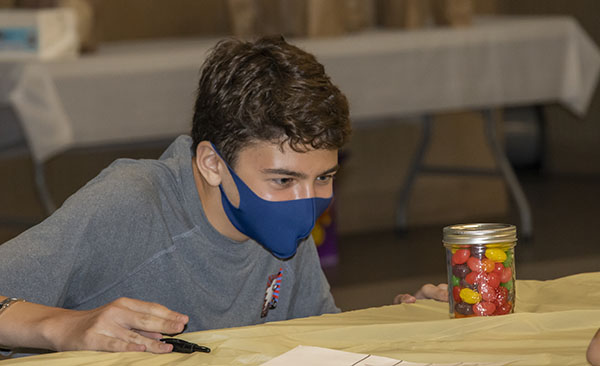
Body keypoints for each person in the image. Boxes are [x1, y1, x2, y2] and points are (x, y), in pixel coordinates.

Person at [0, 36, 445, 357]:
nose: (308, 203)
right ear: (213, 164)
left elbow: (314, 338)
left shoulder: (281, 229)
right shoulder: (133, 203)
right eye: (283, 181)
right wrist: (64, 326)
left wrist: (403, 325)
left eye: (325, 177)